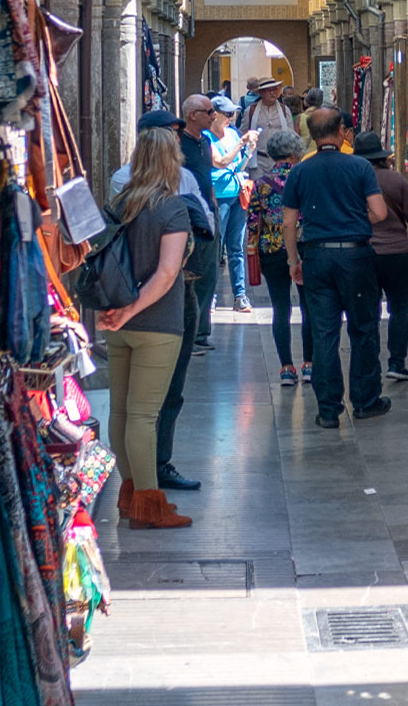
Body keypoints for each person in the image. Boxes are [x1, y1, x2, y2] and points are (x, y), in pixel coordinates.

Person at [97, 126, 195, 529]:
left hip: (116, 320)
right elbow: (167, 273)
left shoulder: (120, 202)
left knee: (120, 412)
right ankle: (150, 504)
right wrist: (133, 308)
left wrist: (117, 311)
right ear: (171, 161)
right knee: (143, 416)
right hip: (156, 322)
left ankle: (130, 493)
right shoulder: (173, 208)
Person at [281, 107, 389, 428]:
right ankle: (365, 400)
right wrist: (354, 222)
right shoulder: (359, 166)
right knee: (363, 328)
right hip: (355, 255)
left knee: (324, 331)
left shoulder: (300, 172)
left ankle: (328, 409)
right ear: (342, 129)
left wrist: (293, 260)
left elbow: (288, 223)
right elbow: (380, 212)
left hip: (316, 255)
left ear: (312, 136)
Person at [351, 132, 408, 382]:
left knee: (369, 311)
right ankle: (397, 362)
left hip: (365, 253)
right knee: (400, 310)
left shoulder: (353, 181)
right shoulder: (396, 180)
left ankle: (370, 359)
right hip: (397, 254)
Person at [248, 128, 311, 387]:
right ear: (295, 152)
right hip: (304, 247)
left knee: (280, 308)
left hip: (272, 250)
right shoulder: (305, 178)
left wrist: (253, 251)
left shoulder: (261, 184)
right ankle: (309, 364)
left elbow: (253, 222)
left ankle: (286, 367)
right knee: (309, 307)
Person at [178, 94, 222, 354]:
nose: (213, 114)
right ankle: (190, 334)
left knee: (209, 274)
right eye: (209, 111)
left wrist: (213, 202)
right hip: (188, 217)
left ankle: (201, 332)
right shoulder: (178, 143)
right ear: (193, 115)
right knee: (191, 275)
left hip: (208, 213)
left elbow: (207, 175)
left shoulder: (205, 142)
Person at [207, 95, 255, 314]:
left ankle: (240, 295)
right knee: (216, 250)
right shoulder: (206, 137)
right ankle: (211, 296)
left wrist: (249, 151)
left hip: (236, 194)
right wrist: (241, 143)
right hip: (219, 196)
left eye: (232, 114)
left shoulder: (233, 133)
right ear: (214, 115)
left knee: (236, 247)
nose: (230, 118)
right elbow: (220, 162)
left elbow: (237, 165)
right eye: (226, 114)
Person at [240, 76, 296, 140]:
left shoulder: (285, 110)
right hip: (257, 149)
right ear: (261, 92)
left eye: (275, 89)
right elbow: (243, 133)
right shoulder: (251, 110)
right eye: (269, 90)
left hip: (280, 149)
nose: (272, 93)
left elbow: (291, 133)